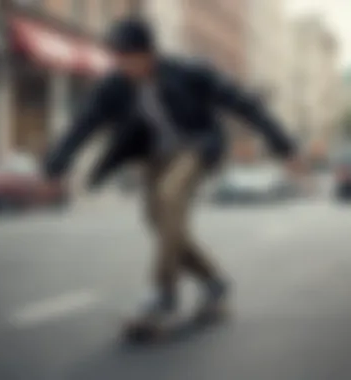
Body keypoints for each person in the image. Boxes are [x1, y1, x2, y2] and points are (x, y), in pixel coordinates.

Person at [43, 18, 303, 335]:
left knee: (170, 197)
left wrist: (283, 144)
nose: (123, 66)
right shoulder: (116, 84)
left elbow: (244, 103)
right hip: (155, 156)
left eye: (129, 58)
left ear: (149, 53)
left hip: (196, 147)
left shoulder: (190, 71)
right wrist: (57, 162)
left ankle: (162, 296)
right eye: (118, 59)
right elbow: (85, 122)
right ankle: (213, 282)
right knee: (159, 222)